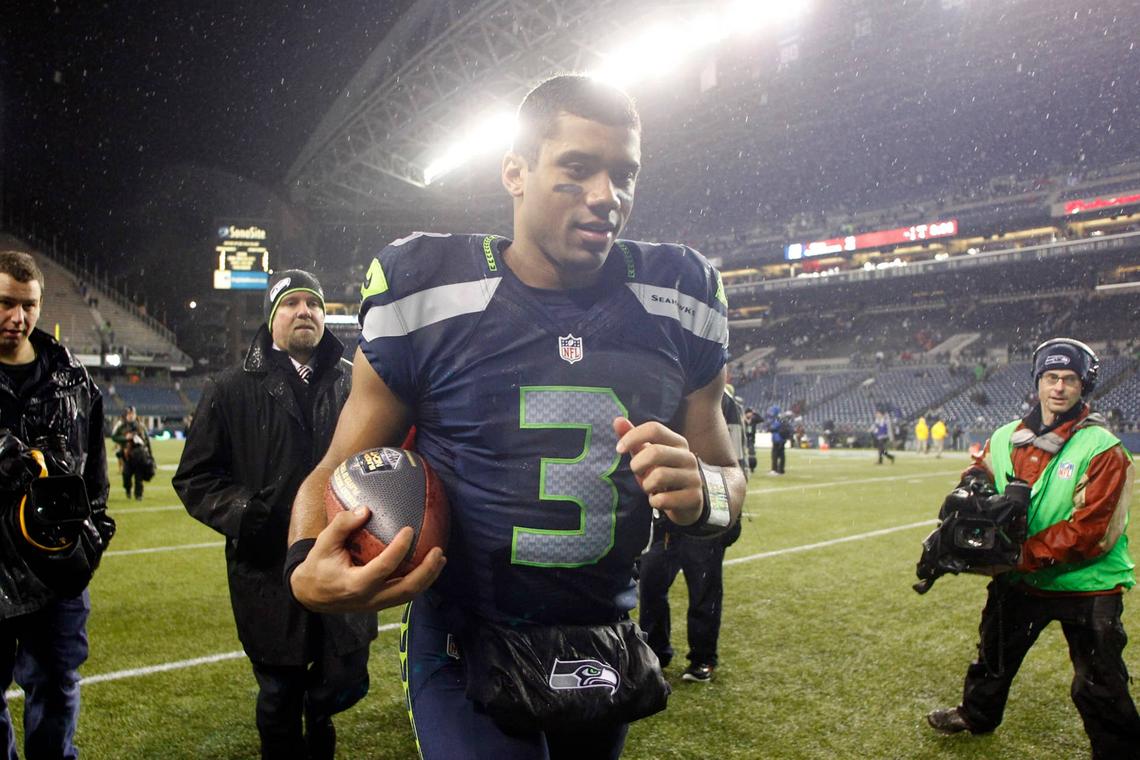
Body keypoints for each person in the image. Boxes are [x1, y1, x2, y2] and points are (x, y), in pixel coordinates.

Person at [286, 75, 746, 759]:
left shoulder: (680, 297)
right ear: (516, 173)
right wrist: (304, 565)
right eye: (578, 169)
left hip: (604, 635)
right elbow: (336, 467)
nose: (606, 197)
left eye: (624, 174)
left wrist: (703, 494)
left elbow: (729, 488)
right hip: (465, 635)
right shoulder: (429, 289)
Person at [173, 270, 376, 760]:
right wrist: (248, 513)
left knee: (347, 678)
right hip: (266, 565)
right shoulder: (228, 388)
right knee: (280, 691)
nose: (304, 311)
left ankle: (319, 720)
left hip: (344, 553)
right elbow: (195, 477)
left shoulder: (357, 383)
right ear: (271, 317)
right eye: (290, 304)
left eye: (313, 303)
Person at [926, 338, 1140, 759]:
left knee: (1100, 682)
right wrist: (975, 486)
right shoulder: (1005, 435)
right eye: (1051, 378)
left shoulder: (1104, 449)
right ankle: (976, 715)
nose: (1058, 388)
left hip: (1086, 584)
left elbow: (1091, 532)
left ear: (1083, 386)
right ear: (1038, 382)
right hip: (1021, 578)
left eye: (1069, 379)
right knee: (993, 655)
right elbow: (981, 469)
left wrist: (1015, 556)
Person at [0, 250, 114, 759]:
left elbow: (95, 477)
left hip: (57, 570)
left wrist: (93, 535)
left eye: (27, 305)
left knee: (58, 687)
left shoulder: (74, 378)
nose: (17, 318)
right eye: (5, 303)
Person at [638, 389, 749, 684]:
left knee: (703, 589)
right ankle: (655, 652)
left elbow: (735, 461)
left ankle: (703, 658)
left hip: (706, 507)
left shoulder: (723, 401)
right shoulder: (660, 387)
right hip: (662, 511)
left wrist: (726, 512)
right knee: (650, 583)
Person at [110, 406, 153, 500]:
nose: (131, 416)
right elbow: (113, 436)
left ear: (135, 414)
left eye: (132, 414)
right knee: (126, 474)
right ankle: (128, 490)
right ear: (126, 415)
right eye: (129, 414)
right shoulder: (121, 425)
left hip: (139, 454)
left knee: (139, 476)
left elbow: (147, 441)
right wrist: (125, 439)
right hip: (127, 454)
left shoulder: (140, 426)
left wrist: (150, 455)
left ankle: (139, 495)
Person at [768, 405, 790, 475]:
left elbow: (773, 427)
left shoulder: (778, 418)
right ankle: (781, 470)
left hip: (777, 439)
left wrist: (770, 427)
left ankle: (774, 470)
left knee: (775, 455)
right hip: (782, 439)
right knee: (781, 455)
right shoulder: (783, 418)